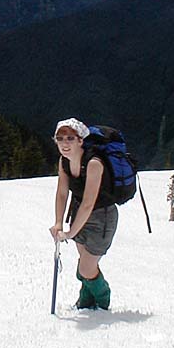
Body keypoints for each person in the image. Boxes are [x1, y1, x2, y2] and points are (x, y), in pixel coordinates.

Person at [49, 118, 119, 310]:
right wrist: (58, 222)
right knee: (85, 262)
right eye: (60, 138)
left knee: (86, 267)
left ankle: (103, 298)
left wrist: (69, 233)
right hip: (78, 214)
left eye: (70, 138)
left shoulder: (94, 163)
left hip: (101, 218)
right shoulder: (64, 161)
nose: (64, 143)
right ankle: (87, 300)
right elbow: (62, 192)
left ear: (81, 140)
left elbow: (89, 203)